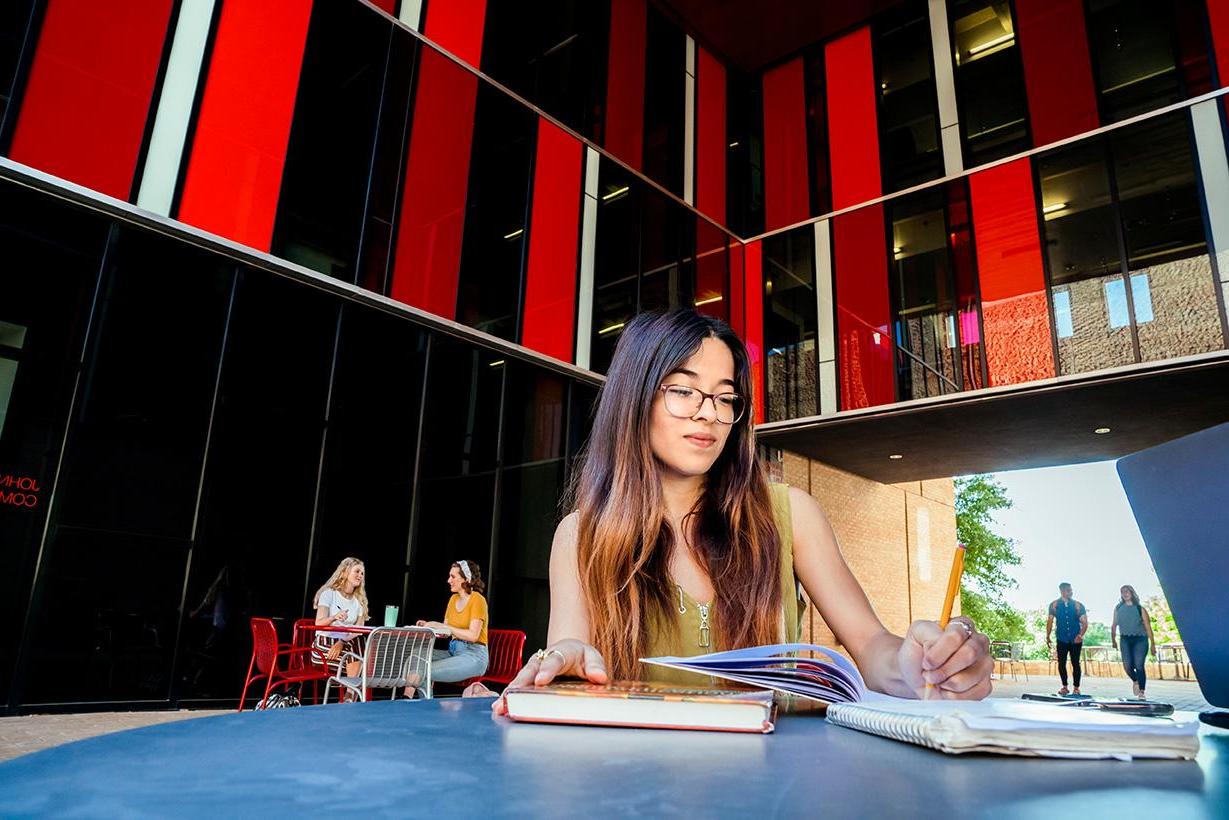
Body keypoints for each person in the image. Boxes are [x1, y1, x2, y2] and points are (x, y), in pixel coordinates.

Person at [493, 309, 992, 714]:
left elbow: (873, 647)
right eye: (683, 391)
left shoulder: (789, 514)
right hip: (634, 785)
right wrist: (564, 662)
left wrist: (921, 666)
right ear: (635, 397)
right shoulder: (581, 535)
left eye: (725, 398)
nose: (709, 412)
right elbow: (571, 647)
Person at [410, 560, 490, 696]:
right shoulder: (453, 599)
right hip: (454, 651)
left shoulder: (478, 600)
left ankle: (419, 704)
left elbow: (473, 636)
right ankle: (420, 701)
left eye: (453, 577)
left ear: (465, 579)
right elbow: (445, 631)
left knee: (425, 670)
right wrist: (430, 625)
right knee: (417, 654)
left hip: (474, 655)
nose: (448, 580)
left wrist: (445, 627)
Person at [314, 557, 369, 680]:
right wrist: (334, 617)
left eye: (362, 573)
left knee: (359, 645)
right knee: (364, 661)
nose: (360, 575)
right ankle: (350, 697)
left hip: (346, 645)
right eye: (357, 571)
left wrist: (342, 641)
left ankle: (349, 696)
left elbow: (359, 630)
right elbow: (318, 623)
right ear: (345, 572)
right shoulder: (329, 594)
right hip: (325, 645)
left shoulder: (359, 601)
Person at [1111, 584, 1155, 699]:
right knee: (1127, 666)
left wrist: (1153, 644)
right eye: (1122, 592)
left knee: (1139, 665)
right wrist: (1113, 640)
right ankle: (1135, 680)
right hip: (1125, 639)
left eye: (1127, 591)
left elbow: (1148, 627)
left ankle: (1141, 691)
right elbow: (1114, 625)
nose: (1125, 594)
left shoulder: (1140, 609)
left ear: (1132, 593)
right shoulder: (1118, 608)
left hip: (1140, 639)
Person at [1045, 582, 1087, 695]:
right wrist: (1047, 636)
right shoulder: (1054, 605)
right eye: (1067, 590)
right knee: (1061, 663)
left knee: (1075, 663)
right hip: (1061, 638)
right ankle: (1064, 687)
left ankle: (1076, 688)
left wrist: (1080, 635)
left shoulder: (1078, 605)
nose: (1070, 592)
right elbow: (1050, 621)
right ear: (1062, 591)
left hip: (1075, 639)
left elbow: (1085, 622)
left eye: (1070, 590)